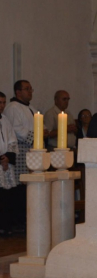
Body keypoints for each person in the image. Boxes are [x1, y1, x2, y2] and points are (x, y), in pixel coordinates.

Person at [4, 80, 46, 231]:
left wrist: (43, 133)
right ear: (18, 92)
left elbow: (40, 126)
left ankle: (29, 217)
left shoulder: (32, 108)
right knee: (21, 186)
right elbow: (16, 129)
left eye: (31, 88)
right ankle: (18, 220)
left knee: (30, 186)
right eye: (27, 89)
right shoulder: (13, 108)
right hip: (22, 151)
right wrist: (35, 137)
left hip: (33, 151)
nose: (30, 92)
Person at [0, 91, 19, 236]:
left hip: (5, 162)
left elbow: (12, 140)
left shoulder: (5, 120)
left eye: (3, 102)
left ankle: (5, 226)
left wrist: (7, 157)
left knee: (5, 198)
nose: (2, 106)